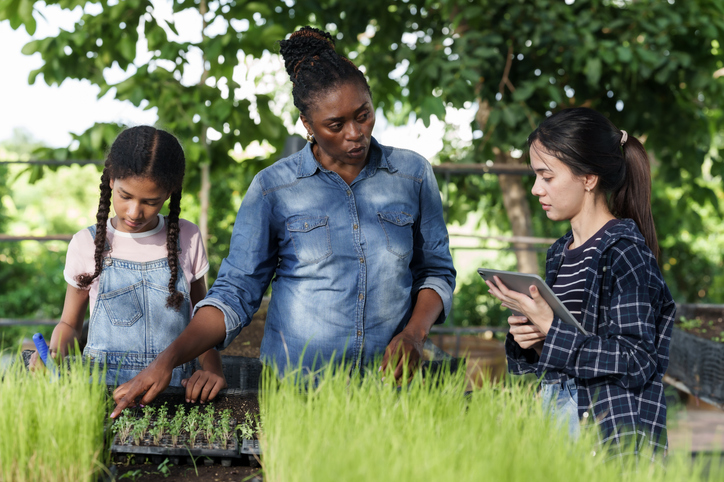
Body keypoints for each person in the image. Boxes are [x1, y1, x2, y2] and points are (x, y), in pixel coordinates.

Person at [110, 26, 456, 416]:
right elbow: (235, 293)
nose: (356, 134)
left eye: (364, 115)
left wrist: (414, 334)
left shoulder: (412, 175)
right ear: (308, 125)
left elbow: (436, 272)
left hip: (390, 388)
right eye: (336, 125)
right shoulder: (274, 188)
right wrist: (166, 361)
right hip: (298, 391)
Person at [485, 107, 675, 455]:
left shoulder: (624, 251)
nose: (535, 189)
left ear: (588, 178)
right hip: (557, 415)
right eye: (535, 176)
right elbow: (571, 350)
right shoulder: (560, 252)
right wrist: (535, 339)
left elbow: (637, 359)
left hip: (609, 431)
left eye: (546, 176)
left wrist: (550, 329)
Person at [30, 126, 227, 402]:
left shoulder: (187, 237)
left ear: (169, 193)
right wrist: (53, 354)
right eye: (125, 196)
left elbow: (202, 321)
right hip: (102, 394)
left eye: (150, 201)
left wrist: (212, 369)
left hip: (175, 395)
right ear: (111, 180)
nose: (135, 212)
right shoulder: (86, 244)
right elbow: (69, 324)